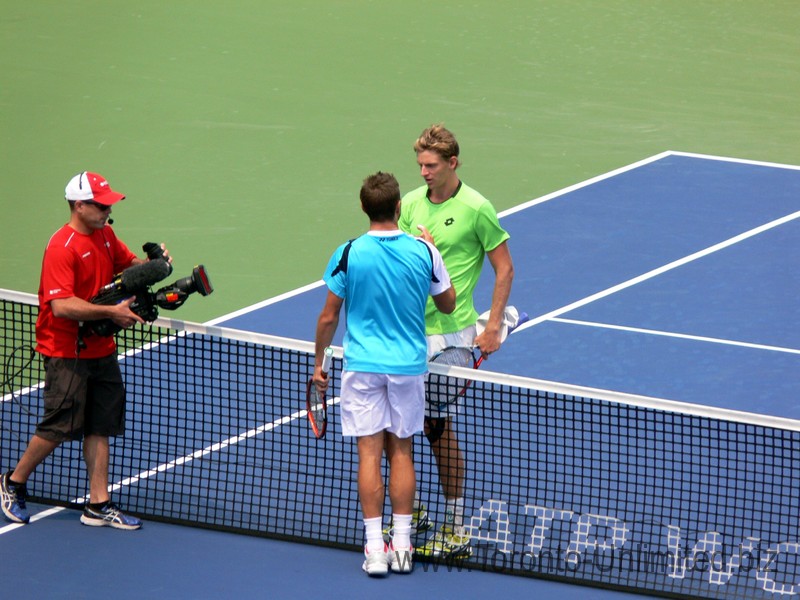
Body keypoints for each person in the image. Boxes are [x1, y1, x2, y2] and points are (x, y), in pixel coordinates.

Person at [0, 171, 171, 530]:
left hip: (101, 347)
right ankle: (12, 482)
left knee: (100, 425)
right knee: (59, 426)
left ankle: (98, 504)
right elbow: (61, 306)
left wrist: (157, 266)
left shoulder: (105, 234)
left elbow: (130, 268)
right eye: (101, 204)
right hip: (66, 352)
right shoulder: (62, 248)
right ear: (80, 206)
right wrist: (112, 312)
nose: (108, 210)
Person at [314, 171, 455, 577]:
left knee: (369, 455)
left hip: (362, 368)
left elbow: (328, 317)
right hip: (408, 368)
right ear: (398, 208)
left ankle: (376, 549)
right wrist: (432, 252)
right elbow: (447, 305)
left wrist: (319, 363)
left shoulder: (348, 252)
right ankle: (404, 546)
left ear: (364, 208)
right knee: (403, 452)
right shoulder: (424, 252)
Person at [398, 124, 514, 559]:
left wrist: (492, 326)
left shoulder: (476, 208)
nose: (424, 172)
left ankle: (455, 527)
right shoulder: (409, 203)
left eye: (431, 165)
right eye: (420, 165)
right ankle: (415, 510)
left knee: (436, 428)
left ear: (452, 163)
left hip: (452, 333)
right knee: (397, 424)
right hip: (410, 332)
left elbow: (504, 268)